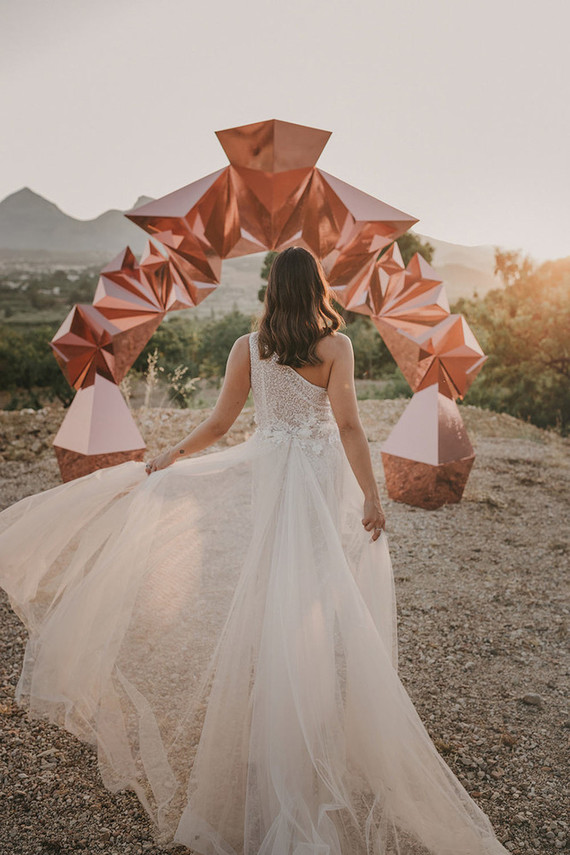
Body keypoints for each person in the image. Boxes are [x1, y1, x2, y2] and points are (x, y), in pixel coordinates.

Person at [0, 247, 509, 854]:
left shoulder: (248, 346)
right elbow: (348, 426)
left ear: (272, 289)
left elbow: (220, 422)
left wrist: (175, 456)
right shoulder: (336, 348)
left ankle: (269, 719)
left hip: (273, 475)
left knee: (271, 588)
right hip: (320, 478)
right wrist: (371, 496)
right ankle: (299, 720)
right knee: (314, 594)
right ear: (316, 288)